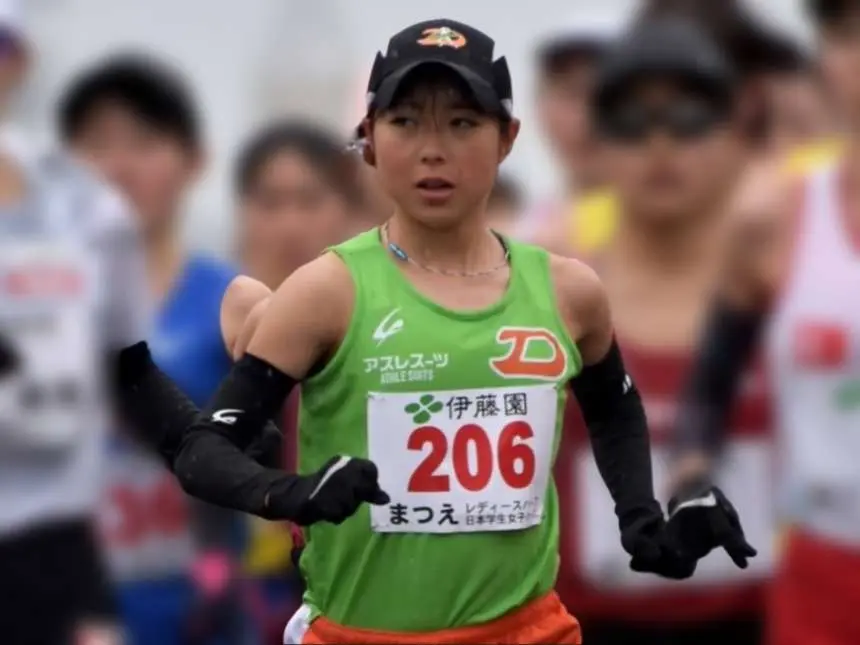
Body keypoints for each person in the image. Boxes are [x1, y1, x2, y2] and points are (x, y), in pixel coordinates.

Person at [112, 19, 756, 645]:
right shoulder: (327, 292)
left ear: (507, 138)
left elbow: (614, 407)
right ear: (368, 138)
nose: (433, 149)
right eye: (405, 122)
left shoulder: (569, 292)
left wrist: (644, 523)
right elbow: (203, 452)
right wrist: (295, 494)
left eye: (463, 123)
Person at [554, 17, 773, 645]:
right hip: (590, 625)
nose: (660, 144)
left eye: (689, 119)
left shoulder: (789, 298)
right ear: (596, 145)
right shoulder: (550, 299)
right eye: (631, 123)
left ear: (736, 137)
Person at [672, 1, 860, 643]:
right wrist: (691, 474)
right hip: (822, 573)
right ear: (824, 62)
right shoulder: (772, 219)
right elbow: (709, 387)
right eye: (848, 35)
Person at [59, 54, 259, 645]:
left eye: (144, 143)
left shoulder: (235, 302)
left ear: (195, 160)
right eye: (97, 145)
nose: (118, 168)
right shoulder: (27, 304)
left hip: (205, 622)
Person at [232, 120, 358, 643]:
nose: (290, 224)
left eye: (309, 201)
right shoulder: (205, 327)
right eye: (270, 202)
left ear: (349, 210)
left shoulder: (384, 332)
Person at [527, 9, 623, 256]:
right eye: (570, 94)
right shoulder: (521, 231)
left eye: (604, 97)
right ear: (541, 108)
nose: (586, 118)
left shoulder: (682, 227)